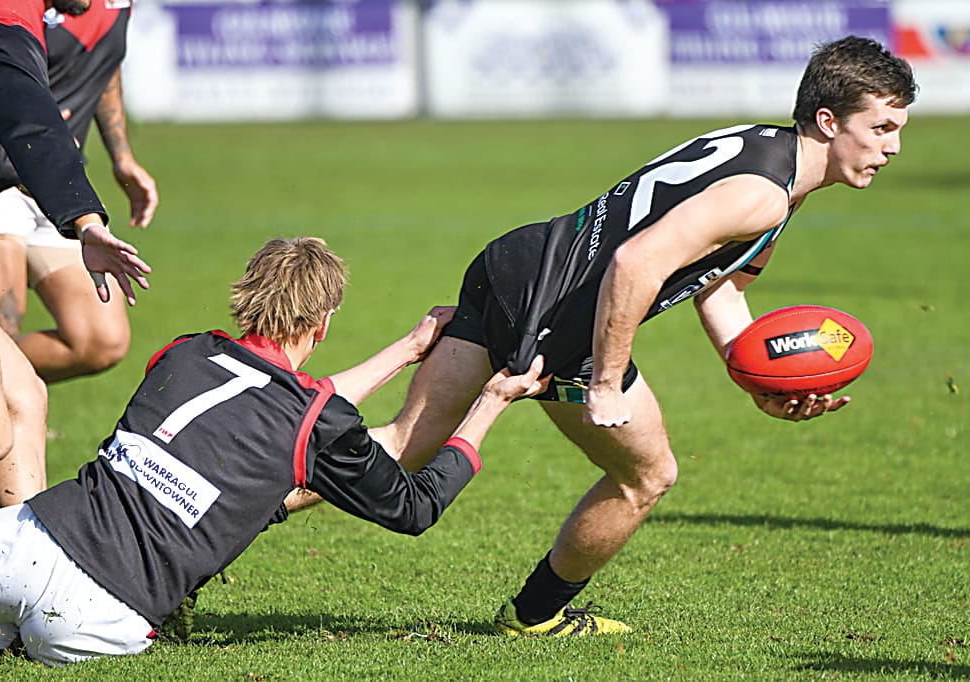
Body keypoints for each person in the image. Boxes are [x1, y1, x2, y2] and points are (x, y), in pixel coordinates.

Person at [359, 36, 918, 636]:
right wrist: (604, 380)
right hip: (564, 317)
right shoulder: (762, 196)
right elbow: (635, 264)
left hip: (517, 262)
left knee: (402, 443)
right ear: (829, 122)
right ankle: (533, 617)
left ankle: (253, 502)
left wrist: (757, 374)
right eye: (881, 127)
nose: (893, 146)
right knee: (647, 476)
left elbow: (722, 288)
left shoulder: (767, 151)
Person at [0, 237, 546, 665]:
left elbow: (277, 395)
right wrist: (490, 399)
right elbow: (413, 507)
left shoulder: (184, 352)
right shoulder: (316, 418)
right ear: (325, 321)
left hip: (19, 545)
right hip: (106, 617)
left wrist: (407, 349)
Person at [0, 0, 149, 508]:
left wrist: (116, 160)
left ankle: (23, 573)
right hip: (6, 185)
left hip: (43, 183)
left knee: (24, 396)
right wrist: (85, 219)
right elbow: (31, 118)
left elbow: (92, 74)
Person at [0, 0, 157, 383]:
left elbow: (105, 64)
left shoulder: (116, 5)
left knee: (101, 339)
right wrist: (37, 119)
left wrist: (121, 156)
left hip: (58, 189)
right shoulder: (26, 8)